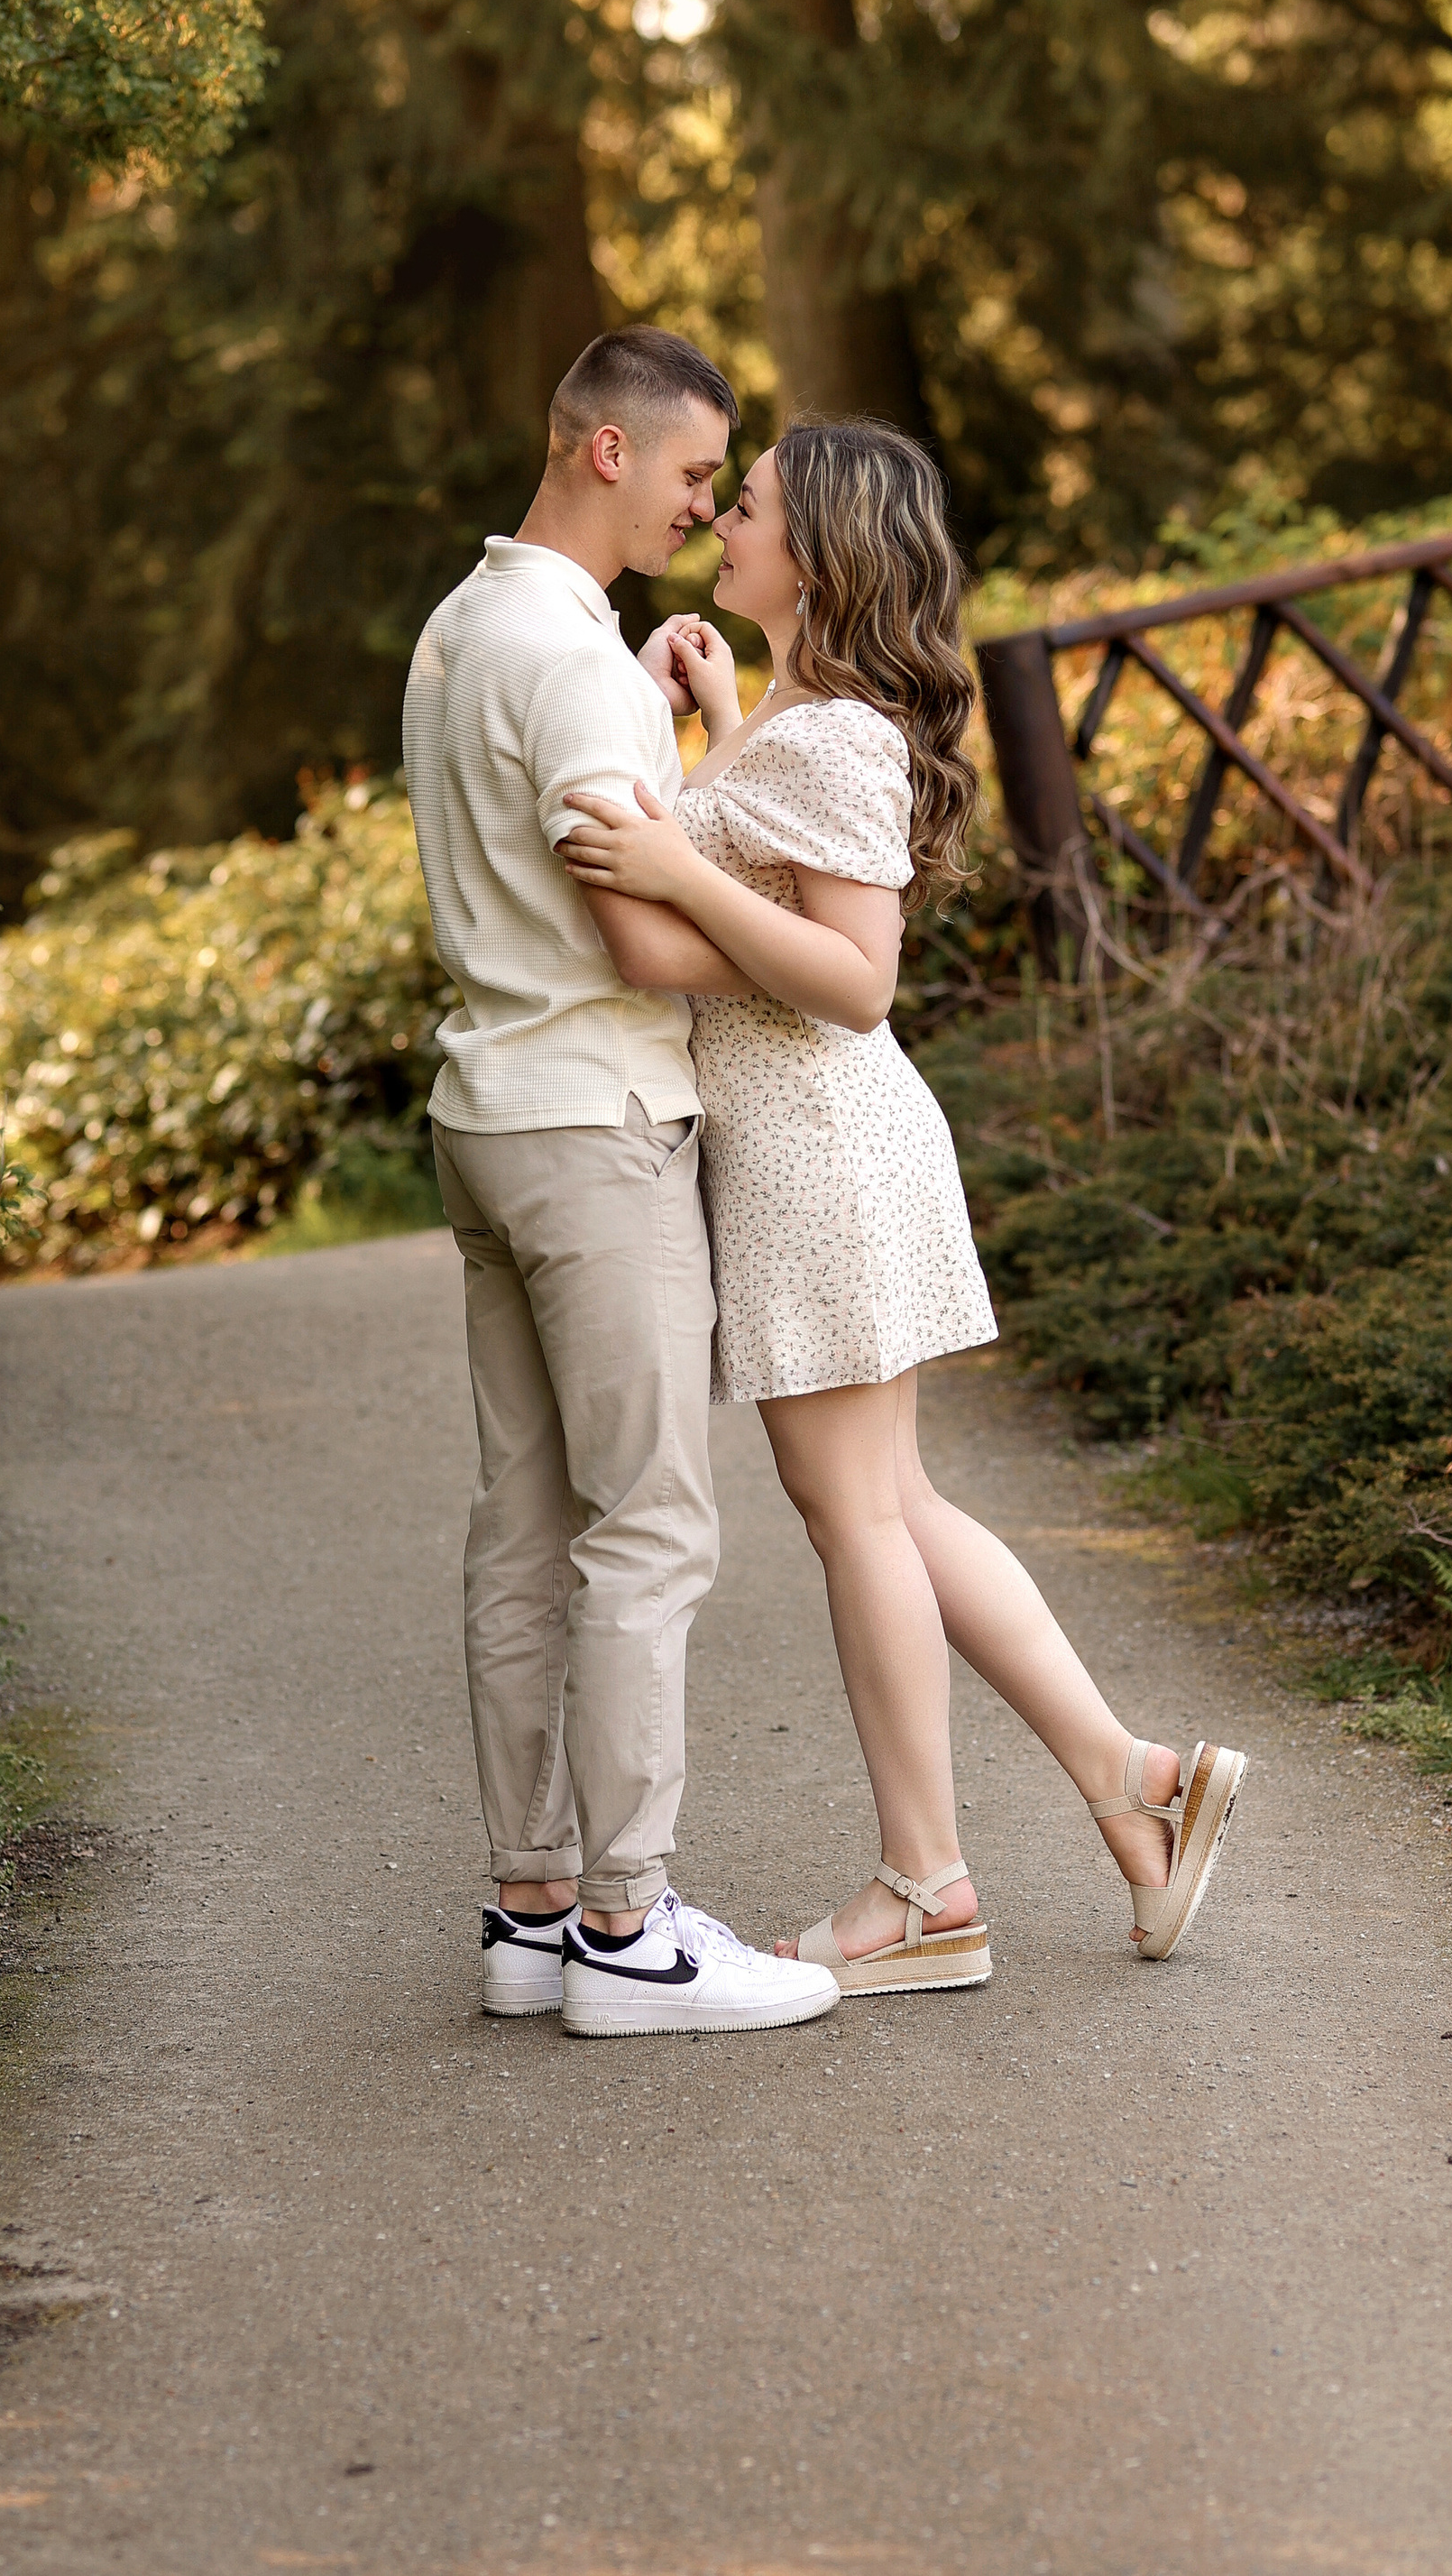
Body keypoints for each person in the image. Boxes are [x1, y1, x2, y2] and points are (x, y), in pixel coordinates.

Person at [557, 416, 1248, 1990]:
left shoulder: (831, 737)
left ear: (819, 555)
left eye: (745, 505)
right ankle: (1135, 1781)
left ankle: (926, 1885)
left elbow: (854, 977)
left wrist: (672, 862)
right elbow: (771, 889)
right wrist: (720, 729)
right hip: (821, 1146)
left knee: (858, 1512)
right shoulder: (803, 721)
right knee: (896, 1505)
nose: (719, 522)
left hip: (820, 1147)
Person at [402, 327, 840, 2039]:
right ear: (606, 450)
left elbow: (563, 848)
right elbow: (639, 934)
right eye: (691, 474)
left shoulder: (462, 628)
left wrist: (658, 724)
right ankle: (631, 1929)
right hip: (595, 1123)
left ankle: (529, 1911)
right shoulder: (570, 661)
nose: (706, 509)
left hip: (485, 1109)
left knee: (522, 1521)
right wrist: (819, 967)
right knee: (649, 1524)